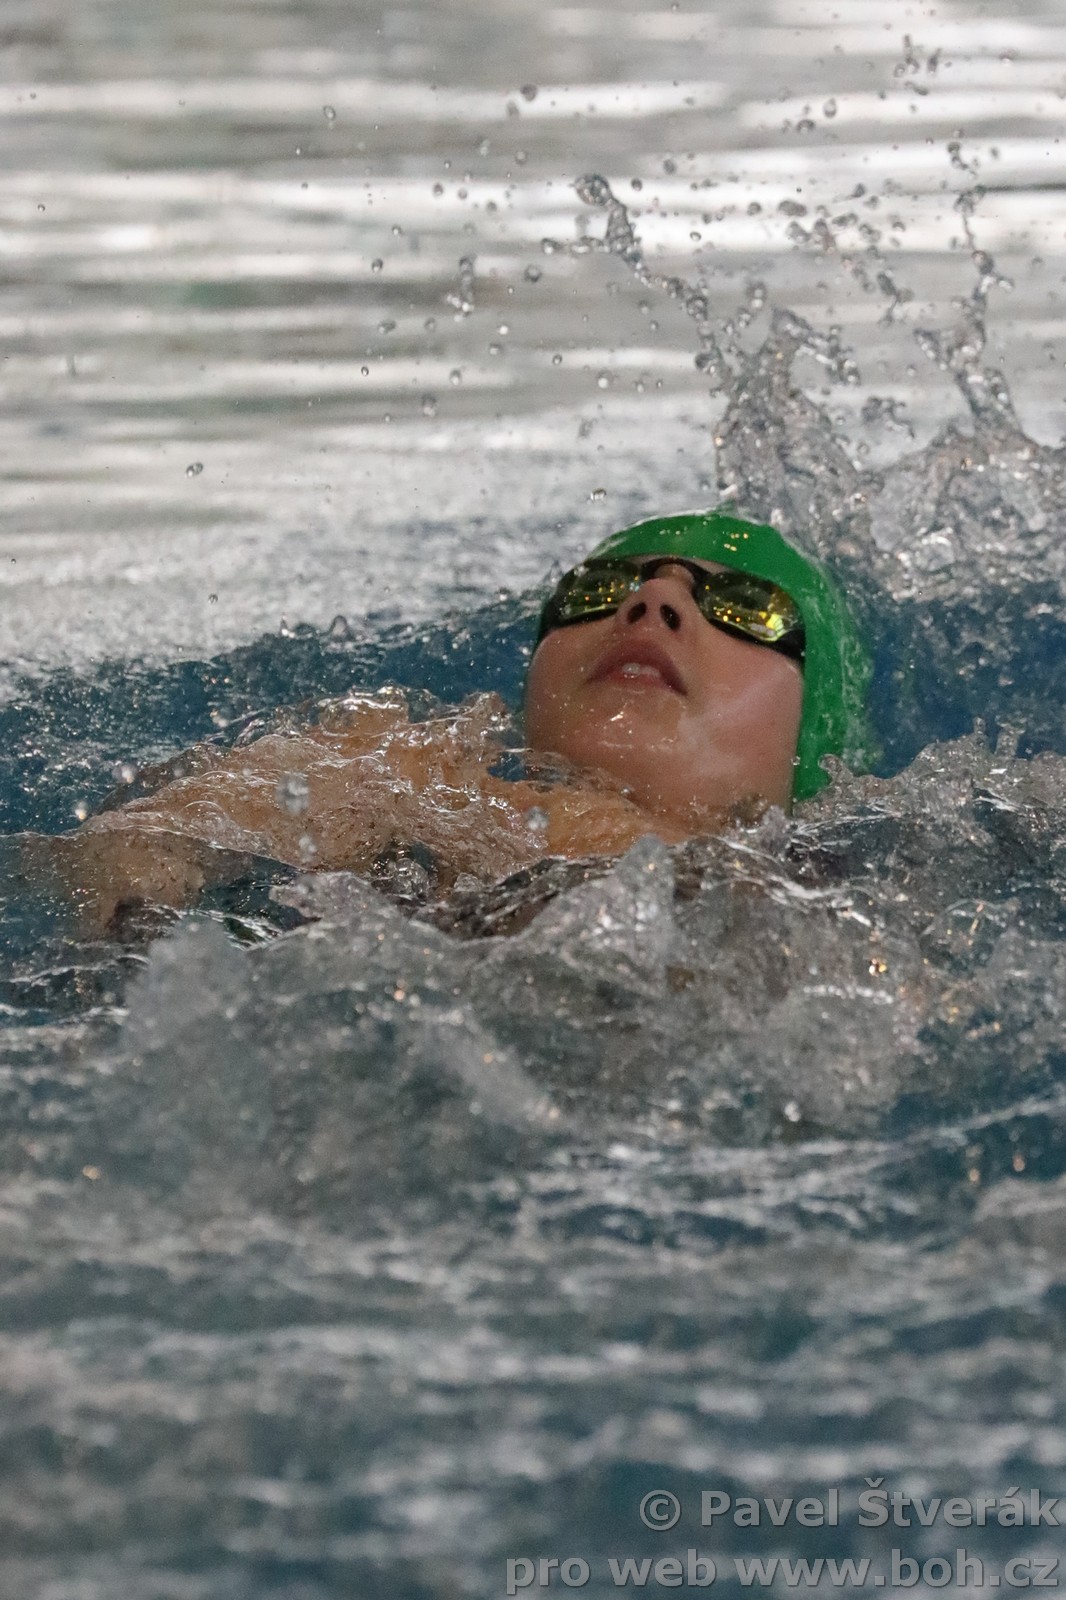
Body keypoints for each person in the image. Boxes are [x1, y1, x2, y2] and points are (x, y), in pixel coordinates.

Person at [27, 508, 873, 937]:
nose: (651, 601)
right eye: (598, 589)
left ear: (813, 734)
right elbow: (134, 853)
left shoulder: (833, 894)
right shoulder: (402, 767)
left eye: (744, 605)